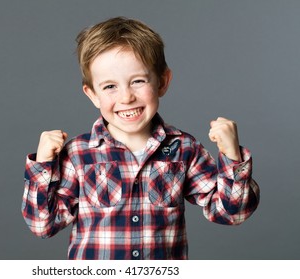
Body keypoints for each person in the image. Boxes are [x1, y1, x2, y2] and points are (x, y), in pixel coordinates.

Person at [21, 17, 260, 260]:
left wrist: (232, 156)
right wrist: (42, 166)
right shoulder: (77, 154)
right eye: (110, 87)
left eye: (137, 81)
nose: (126, 97)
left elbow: (233, 214)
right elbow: (43, 226)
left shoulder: (184, 149)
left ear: (162, 82)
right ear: (92, 94)